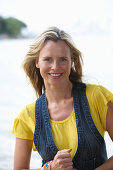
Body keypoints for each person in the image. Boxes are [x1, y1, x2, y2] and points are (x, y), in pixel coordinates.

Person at [12, 26, 113, 170]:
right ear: (37, 62)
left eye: (63, 59)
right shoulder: (26, 116)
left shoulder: (97, 97)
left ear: (71, 61)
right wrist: (50, 167)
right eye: (47, 59)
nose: (55, 66)